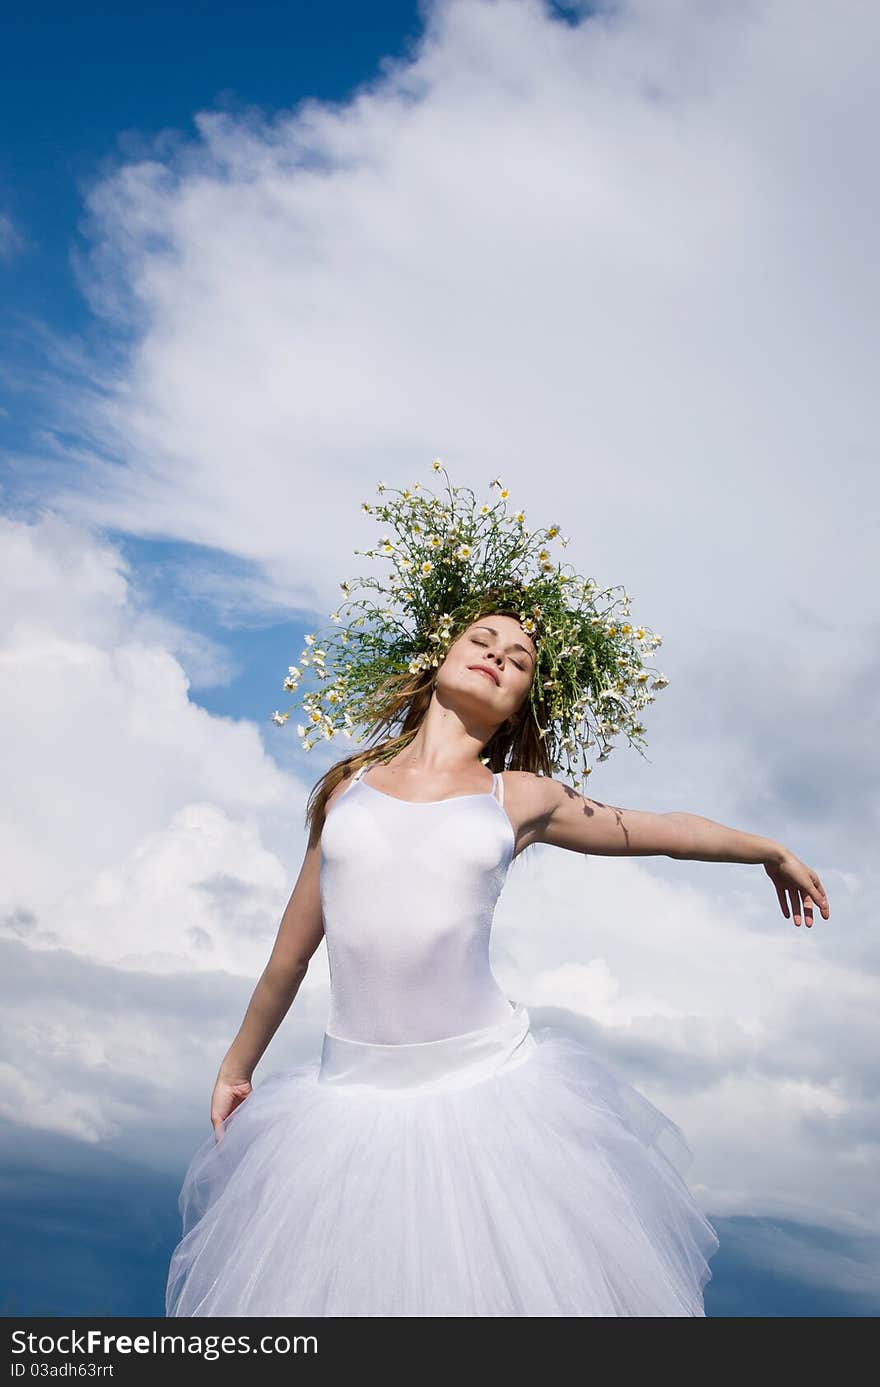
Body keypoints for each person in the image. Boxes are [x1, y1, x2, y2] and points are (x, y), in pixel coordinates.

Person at [165, 467, 829, 1317]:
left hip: (489, 1102)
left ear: (518, 706)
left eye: (519, 660)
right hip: (343, 1113)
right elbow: (290, 955)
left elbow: (661, 828)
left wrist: (765, 847)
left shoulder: (516, 796)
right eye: (484, 638)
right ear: (441, 655)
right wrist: (237, 1062)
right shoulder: (347, 789)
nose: (498, 655)